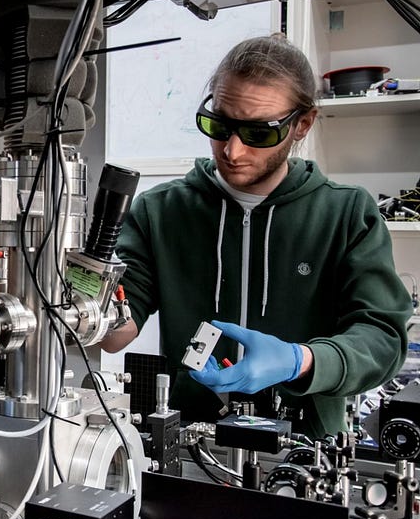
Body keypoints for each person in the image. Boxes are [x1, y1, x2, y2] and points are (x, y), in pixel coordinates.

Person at [101, 34, 411, 439]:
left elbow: (383, 339)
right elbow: (115, 330)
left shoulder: (346, 214)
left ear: (302, 124)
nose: (232, 150)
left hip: (305, 448)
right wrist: (83, 296)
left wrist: (299, 360)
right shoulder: (161, 211)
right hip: (193, 440)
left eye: (258, 134)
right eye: (220, 125)